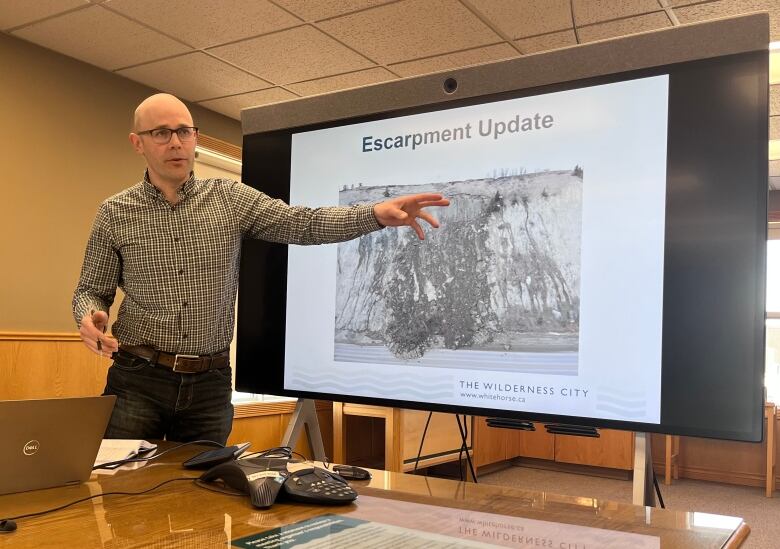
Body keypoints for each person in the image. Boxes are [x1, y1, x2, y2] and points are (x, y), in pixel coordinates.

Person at [73, 93, 449, 444]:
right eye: (161, 133)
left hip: (210, 384)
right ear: (138, 142)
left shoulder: (230, 198)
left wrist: (373, 215)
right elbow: (91, 290)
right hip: (138, 381)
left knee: (203, 500)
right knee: (123, 494)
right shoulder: (114, 213)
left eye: (185, 131)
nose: (176, 142)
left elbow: (302, 223)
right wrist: (89, 317)